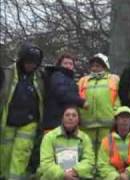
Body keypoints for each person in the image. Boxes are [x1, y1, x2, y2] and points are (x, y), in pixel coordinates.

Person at [0, 43, 45, 179]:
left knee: (21, 155)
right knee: (4, 153)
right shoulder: (6, 73)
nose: (32, 65)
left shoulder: (39, 77)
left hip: (29, 122)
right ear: (22, 59)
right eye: (29, 62)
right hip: (8, 120)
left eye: (35, 63)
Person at [78, 53, 120, 168]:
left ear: (105, 66)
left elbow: (117, 101)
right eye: (93, 65)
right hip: (86, 124)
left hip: (107, 125)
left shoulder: (113, 79)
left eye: (98, 65)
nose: (95, 68)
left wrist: (116, 117)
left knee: (105, 153)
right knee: (87, 153)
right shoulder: (82, 81)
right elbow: (78, 99)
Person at [38, 106, 94, 180]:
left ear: (78, 120)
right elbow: (46, 163)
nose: (70, 118)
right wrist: (63, 175)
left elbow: (89, 161)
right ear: (62, 118)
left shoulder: (85, 138)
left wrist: (75, 171)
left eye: (74, 115)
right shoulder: (49, 137)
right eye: (67, 115)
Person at [43, 53, 86, 132]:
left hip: (62, 121)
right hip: (55, 121)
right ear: (59, 65)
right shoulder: (57, 76)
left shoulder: (69, 79)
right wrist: (81, 102)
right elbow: (63, 94)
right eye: (65, 63)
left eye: (71, 64)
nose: (68, 66)